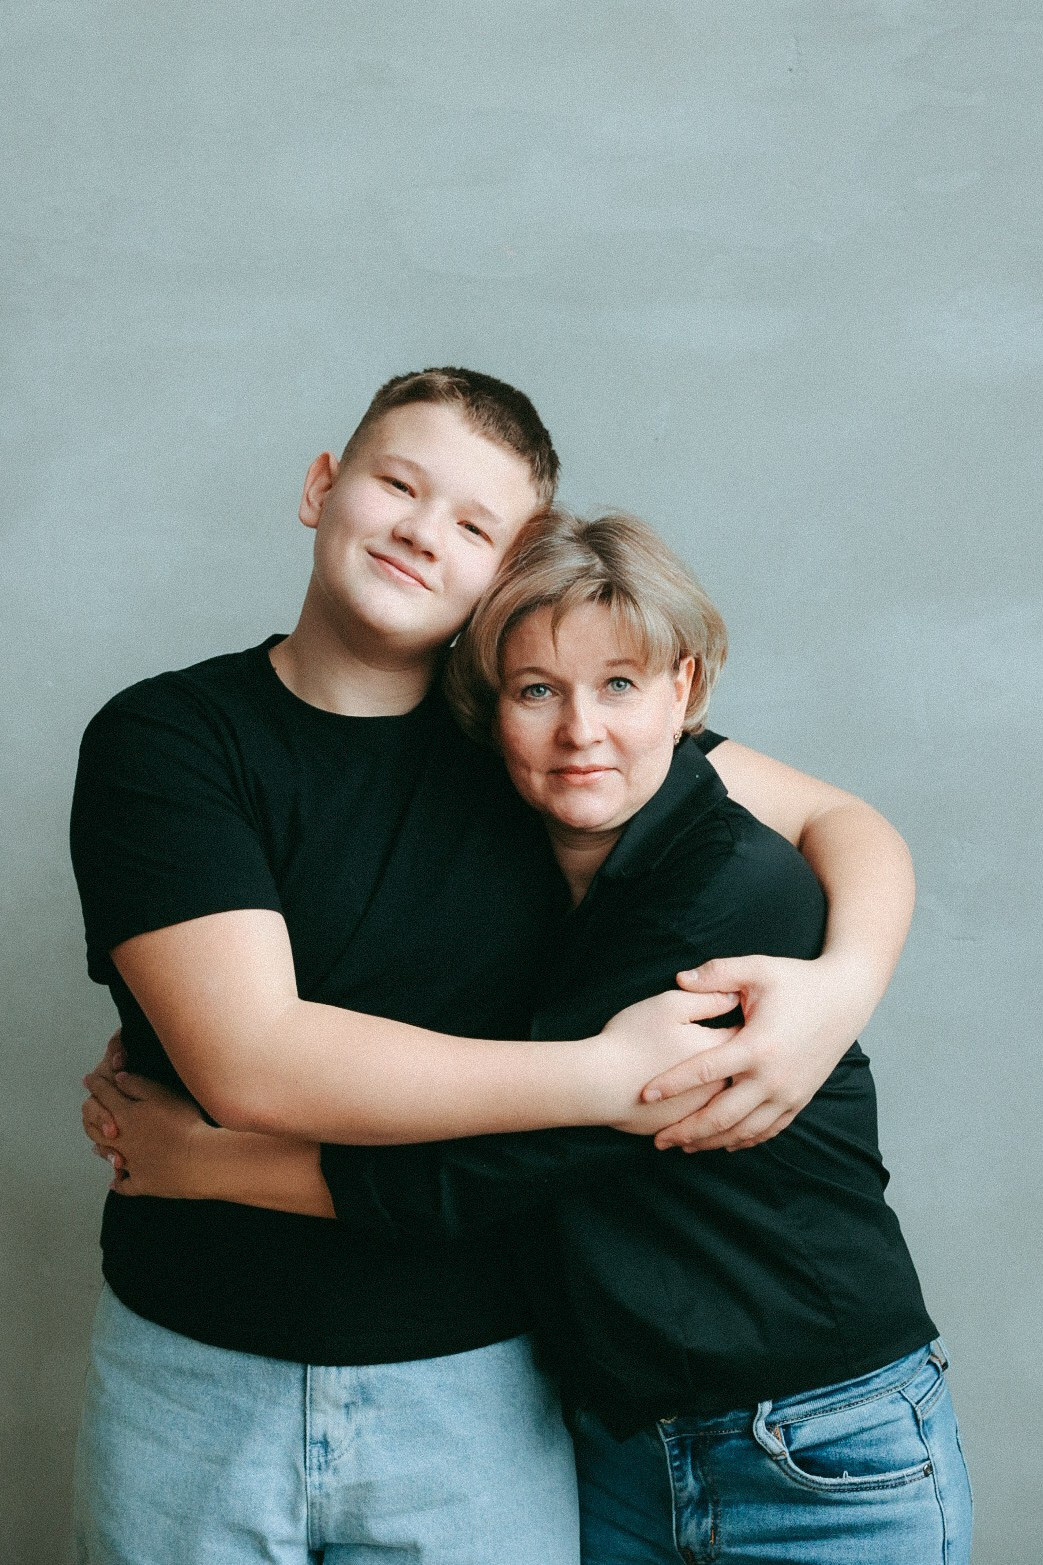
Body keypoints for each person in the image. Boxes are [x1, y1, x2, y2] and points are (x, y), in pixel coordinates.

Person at [73, 370, 917, 1565]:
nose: (424, 532)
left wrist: (838, 990)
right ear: (321, 487)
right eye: (397, 484)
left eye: (474, 524)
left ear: (505, 569)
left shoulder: (535, 738)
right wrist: (604, 1075)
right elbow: (253, 1059)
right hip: (192, 1361)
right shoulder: (172, 737)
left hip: (477, 1380)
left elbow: (840, 819)